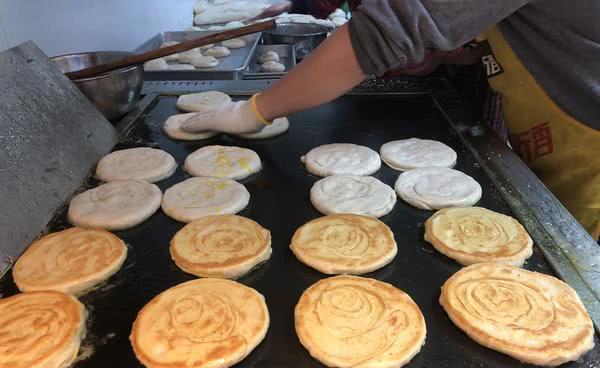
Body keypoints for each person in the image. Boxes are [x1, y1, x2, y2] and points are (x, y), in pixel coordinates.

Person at [182, 0, 600, 239]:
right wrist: (448, 52)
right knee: (549, 227)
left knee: (573, 253)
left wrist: (255, 110)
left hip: (588, 139)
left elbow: (381, 33)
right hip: (549, 123)